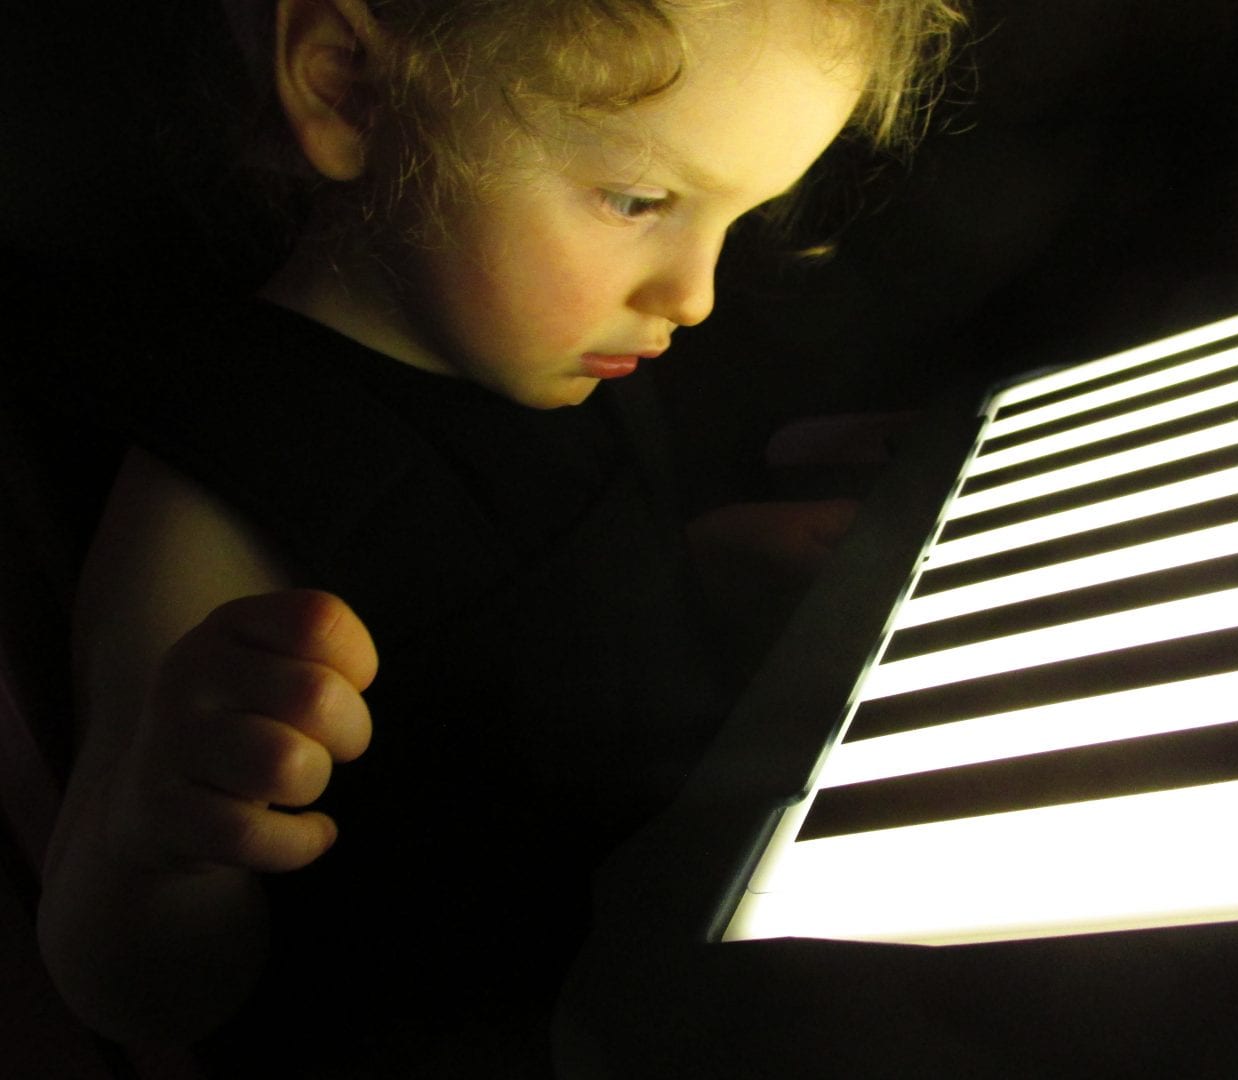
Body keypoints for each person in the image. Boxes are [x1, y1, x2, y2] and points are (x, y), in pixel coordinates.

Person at [37, 0, 964, 1074]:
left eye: (740, 215)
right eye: (637, 200)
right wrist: (164, 838)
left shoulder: (551, 342)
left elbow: (523, 591)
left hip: (675, 921)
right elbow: (132, 994)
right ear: (349, 86)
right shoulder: (218, 505)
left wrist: (705, 557)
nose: (694, 295)